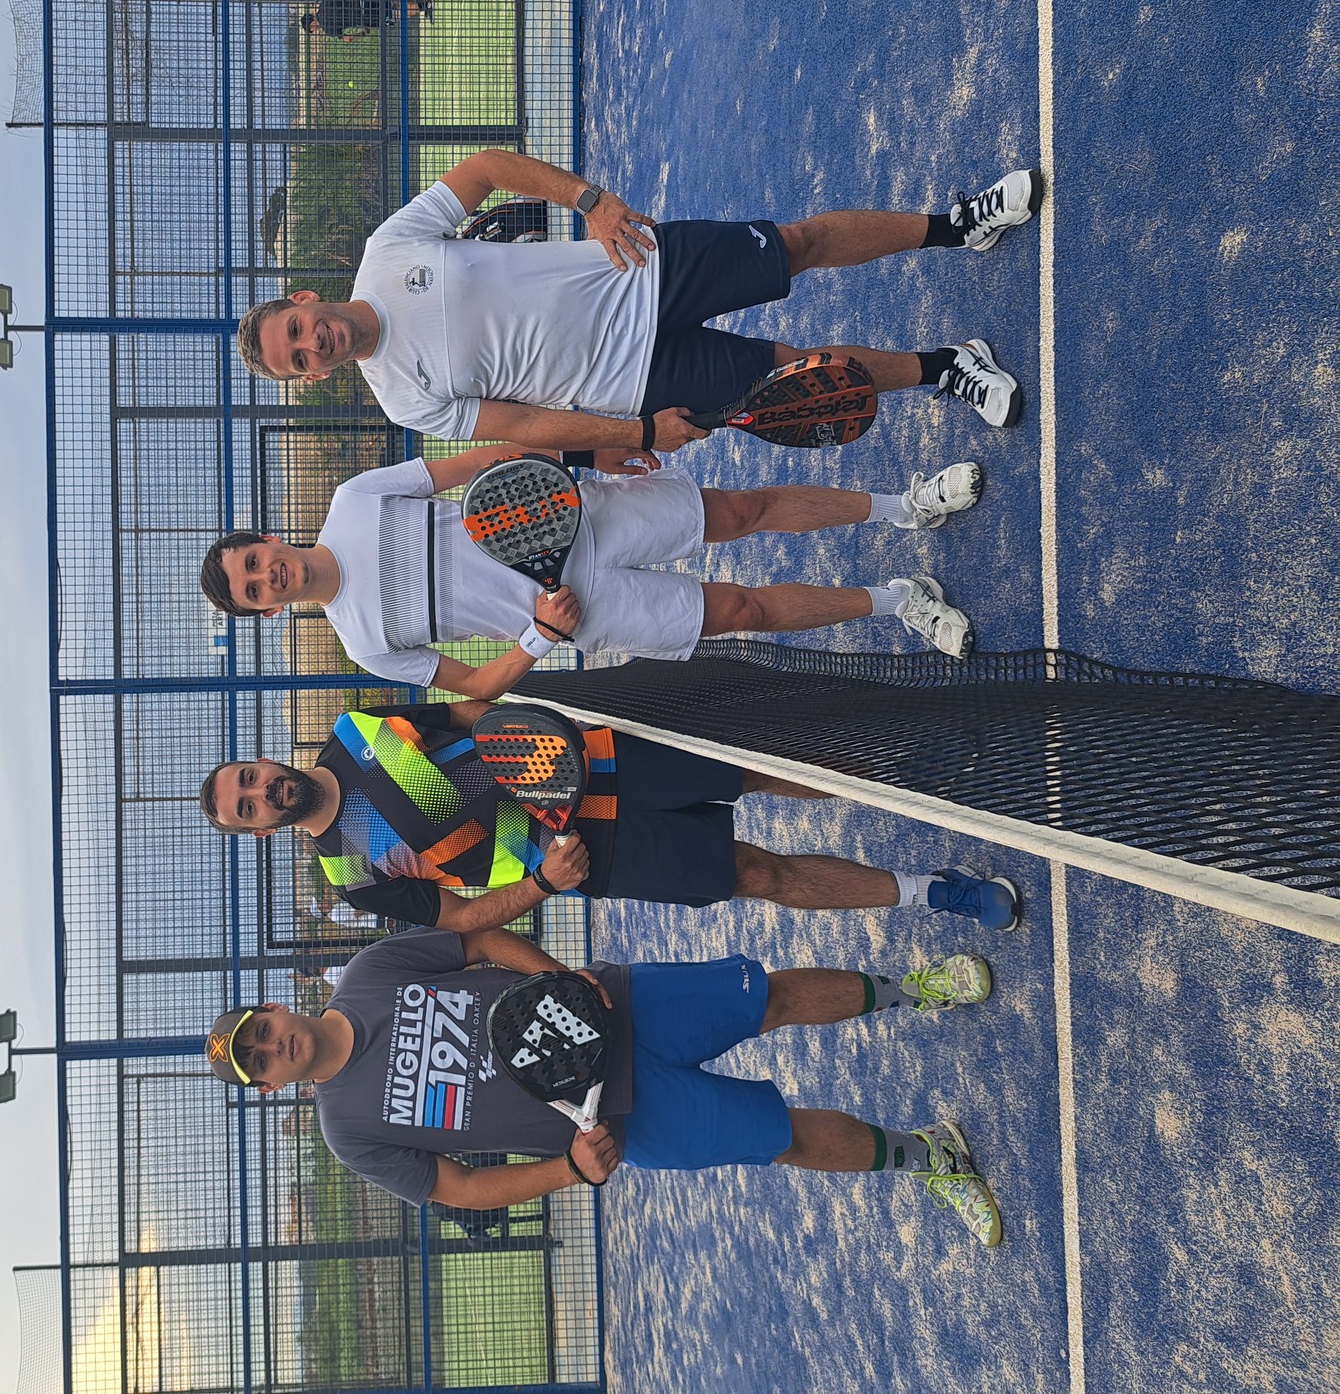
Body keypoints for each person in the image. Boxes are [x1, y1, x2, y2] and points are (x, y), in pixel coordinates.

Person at [204, 924, 1006, 1247]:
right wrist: (570, 1170)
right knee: (781, 1138)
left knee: (771, 999)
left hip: (620, 1009)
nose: (272, 1047)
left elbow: (479, 940)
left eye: (260, 1032)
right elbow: (461, 1188)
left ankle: (916, 989)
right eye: (259, 1061)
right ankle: (927, 1155)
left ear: (274, 1008)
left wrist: (564, 980)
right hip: (612, 1123)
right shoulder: (347, 1131)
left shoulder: (370, 971)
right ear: (270, 1087)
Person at [234, 147, 1041, 448]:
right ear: (312, 377)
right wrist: (636, 432)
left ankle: (959, 225)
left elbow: (483, 170)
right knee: (807, 376)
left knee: (796, 245)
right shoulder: (404, 400)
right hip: (636, 382)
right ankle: (946, 367)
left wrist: (589, 203)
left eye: (296, 329)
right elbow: (524, 426)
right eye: (298, 360)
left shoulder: (387, 253)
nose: (311, 344)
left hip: (636, 267)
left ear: (304, 298)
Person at [201, 440, 985, 695]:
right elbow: (475, 685)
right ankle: (899, 600)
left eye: (255, 562)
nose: (267, 576)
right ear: (268, 610)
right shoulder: (364, 644)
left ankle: (906, 505)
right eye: (254, 590)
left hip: (573, 515)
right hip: (578, 613)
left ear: (268, 540)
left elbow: (477, 463)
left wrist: (586, 455)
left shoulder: (353, 501)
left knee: (742, 511)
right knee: (741, 612)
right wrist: (540, 638)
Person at [198, 700, 1021, 933]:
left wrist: (541, 729)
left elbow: (466, 716)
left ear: (262, 760)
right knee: (759, 874)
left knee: (757, 770)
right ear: (259, 831)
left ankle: (918, 776)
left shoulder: (356, 728)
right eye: (247, 808)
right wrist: (545, 885)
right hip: (585, 853)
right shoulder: (351, 876)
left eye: (249, 777)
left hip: (588, 762)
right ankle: (933, 890)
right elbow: (459, 919)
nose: (260, 791)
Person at [300, 0, 433, 40]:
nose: (316, 31)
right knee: (392, 4)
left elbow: (347, 39)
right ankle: (421, 2)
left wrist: (361, 33)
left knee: (394, 14)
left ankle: (423, 5)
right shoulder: (324, 3)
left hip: (365, 17)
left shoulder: (328, 29)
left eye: (313, 30)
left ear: (312, 25)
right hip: (361, 0)